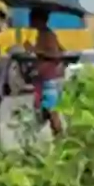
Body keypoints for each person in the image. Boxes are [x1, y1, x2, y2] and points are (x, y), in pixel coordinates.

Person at [30, 7, 65, 137]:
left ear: (39, 20)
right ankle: (56, 136)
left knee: (52, 110)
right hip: (43, 76)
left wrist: (36, 51)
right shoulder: (42, 34)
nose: (30, 22)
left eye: (32, 19)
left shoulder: (47, 34)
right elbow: (62, 49)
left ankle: (60, 137)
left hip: (49, 77)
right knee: (44, 110)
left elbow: (56, 54)